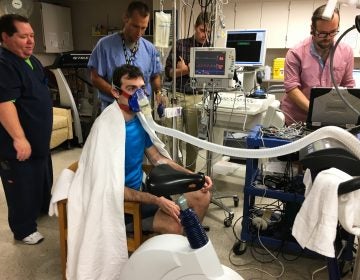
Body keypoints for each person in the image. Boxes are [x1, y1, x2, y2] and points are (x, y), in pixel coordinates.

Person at [65, 64, 212, 278]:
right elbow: (110, 189)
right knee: (175, 224)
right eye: (132, 89)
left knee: (202, 195)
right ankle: (170, 261)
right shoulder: (105, 129)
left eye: (142, 88)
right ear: (116, 92)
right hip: (120, 207)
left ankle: (183, 251)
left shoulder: (138, 120)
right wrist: (156, 200)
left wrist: (194, 177)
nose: (140, 95)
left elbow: (157, 158)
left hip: (141, 192)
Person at [0, 14, 53, 245]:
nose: (30, 41)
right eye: (23, 36)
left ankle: (40, 209)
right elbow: (4, 104)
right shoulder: (4, 64)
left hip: (38, 139)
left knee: (39, 179)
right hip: (17, 143)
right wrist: (20, 138)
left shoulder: (32, 61)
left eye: (32, 35)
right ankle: (23, 229)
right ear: (5, 37)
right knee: (21, 184)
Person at [281, 4, 355, 125]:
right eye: (322, 33)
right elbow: (292, 88)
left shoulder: (346, 52)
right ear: (312, 29)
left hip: (331, 120)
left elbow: (348, 86)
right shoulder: (296, 53)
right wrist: (317, 112)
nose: (328, 38)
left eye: (332, 32)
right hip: (297, 121)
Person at [88, 1, 162, 112]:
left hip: (142, 110)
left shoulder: (149, 49)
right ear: (125, 18)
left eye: (143, 28)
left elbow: (155, 76)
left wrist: (158, 93)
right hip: (114, 109)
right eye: (135, 26)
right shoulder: (105, 46)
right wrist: (119, 94)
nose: (139, 33)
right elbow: (95, 78)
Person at [163, 11, 211, 171]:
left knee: (192, 141)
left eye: (208, 31)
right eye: (202, 30)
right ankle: (176, 170)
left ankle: (189, 173)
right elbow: (168, 72)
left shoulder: (209, 50)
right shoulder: (180, 45)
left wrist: (185, 68)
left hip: (195, 98)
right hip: (175, 96)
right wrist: (187, 70)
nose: (205, 35)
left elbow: (208, 74)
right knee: (172, 137)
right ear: (195, 27)